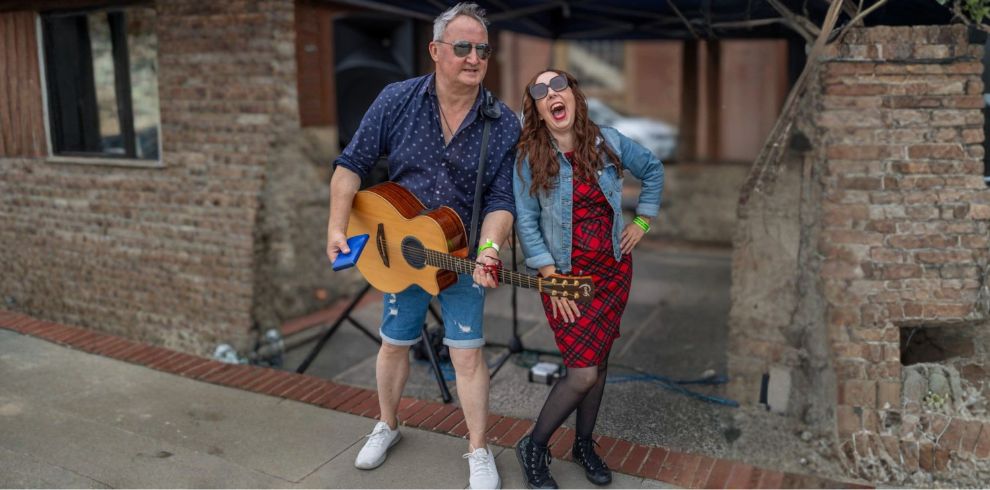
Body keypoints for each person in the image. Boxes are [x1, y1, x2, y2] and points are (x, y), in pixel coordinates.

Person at [325, 3, 519, 489]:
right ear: (435, 50)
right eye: (462, 47)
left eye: (482, 50)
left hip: (460, 255)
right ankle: (388, 424)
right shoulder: (397, 99)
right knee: (394, 343)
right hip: (397, 247)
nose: (474, 58)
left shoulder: (502, 122)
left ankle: (479, 448)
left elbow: (502, 199)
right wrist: (336, 227)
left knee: (467, 355)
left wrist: (491, 248)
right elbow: (350, 165)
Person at [512, 69, 664, 489]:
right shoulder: (529, 157)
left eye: (558, 85)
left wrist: (643, 222)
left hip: (612, 272)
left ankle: (583, 444)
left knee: (600, 361)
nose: (551, 94)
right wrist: (549, 276)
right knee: (582, 374)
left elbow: (653, 170)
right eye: (540, 91)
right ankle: (534, 446)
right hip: (565, 279)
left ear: (574, 96)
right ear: (538, 110)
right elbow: (526, 221)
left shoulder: (608, 141)